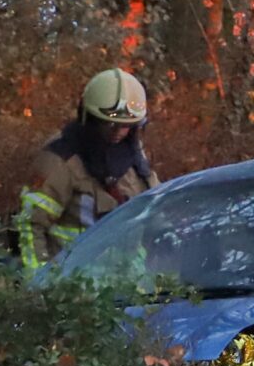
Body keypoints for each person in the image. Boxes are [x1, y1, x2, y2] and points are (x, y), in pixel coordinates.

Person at [19, 68, 159, 271]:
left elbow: (152, 211)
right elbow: (31, 224)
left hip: (131, 285)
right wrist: (39, 281)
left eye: (125, 125)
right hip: (76, 286)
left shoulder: (134, 159)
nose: (118, 132)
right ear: (91, 118)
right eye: (110, 124)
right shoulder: (61, 159)